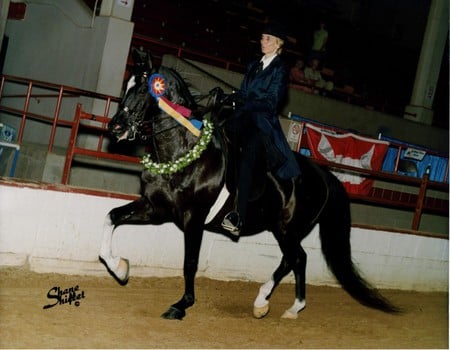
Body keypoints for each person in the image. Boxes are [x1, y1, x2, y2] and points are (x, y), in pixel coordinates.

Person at [221, 22, 301, 235]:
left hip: (262, 122)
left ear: (278, 44)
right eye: (262, 37)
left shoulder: (280, 69)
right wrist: (228, 97)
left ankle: (239, 215)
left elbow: (271, 101)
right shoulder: (254, 65)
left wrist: (246, 103)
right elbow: (244, 91)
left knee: (248, 157)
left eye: (267, 38)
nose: (262, 41)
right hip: (242, 117)